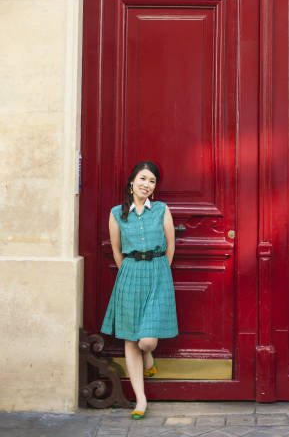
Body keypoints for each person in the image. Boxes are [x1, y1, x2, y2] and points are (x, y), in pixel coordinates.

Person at [101, 160, 178, 419]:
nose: (147, 184)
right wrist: (129, 272)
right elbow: (116, 250)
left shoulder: (162, 210)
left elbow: (170, 245)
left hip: (158, 273)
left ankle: (149, 358)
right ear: (132, 182)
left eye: (152, 181)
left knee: (146, 341)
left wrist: (160, 271)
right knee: (130, 338)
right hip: (130, 274)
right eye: (143, 179)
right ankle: (140, 399)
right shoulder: (116, 214)